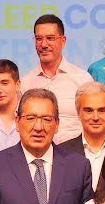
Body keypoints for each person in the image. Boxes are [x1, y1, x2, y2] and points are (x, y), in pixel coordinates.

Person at [22, 14, 90, 142]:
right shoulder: (26, 83)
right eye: (38, 39)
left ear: (63, 40)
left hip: (75, 157)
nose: (43, 44)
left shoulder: (82, 79)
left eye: (50, 38)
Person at [59, 81, 105, 186]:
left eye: (102, 110)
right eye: (88, 111)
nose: (95, 117)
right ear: (78, 113)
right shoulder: (60, 153)